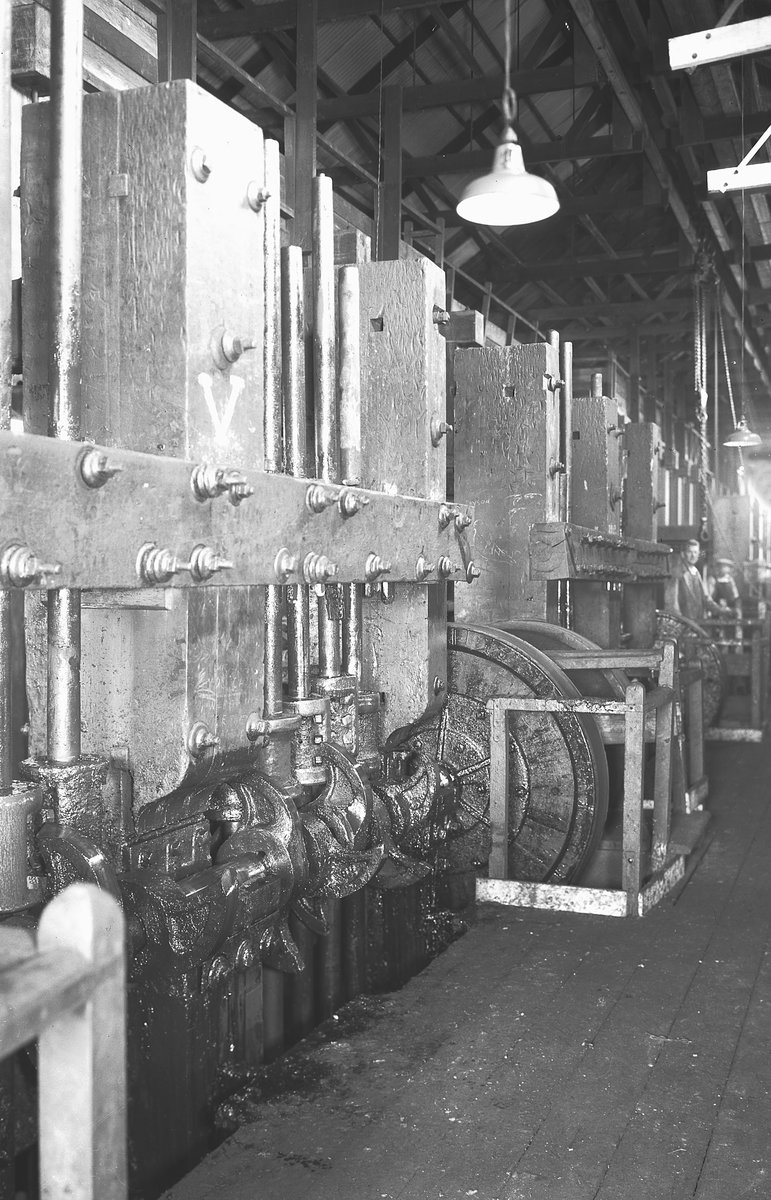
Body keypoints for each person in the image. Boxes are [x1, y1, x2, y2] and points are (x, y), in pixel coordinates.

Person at [663, 538, 722, 623]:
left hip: (698, 622)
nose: (693, 555)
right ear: (683, 554)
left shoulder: (696, 572)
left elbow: (705, 598)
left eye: (695, 552)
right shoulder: (677, 572)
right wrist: (678, 622)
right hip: (684, 624)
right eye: (689, 552)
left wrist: (720, 610)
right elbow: (671, 602)